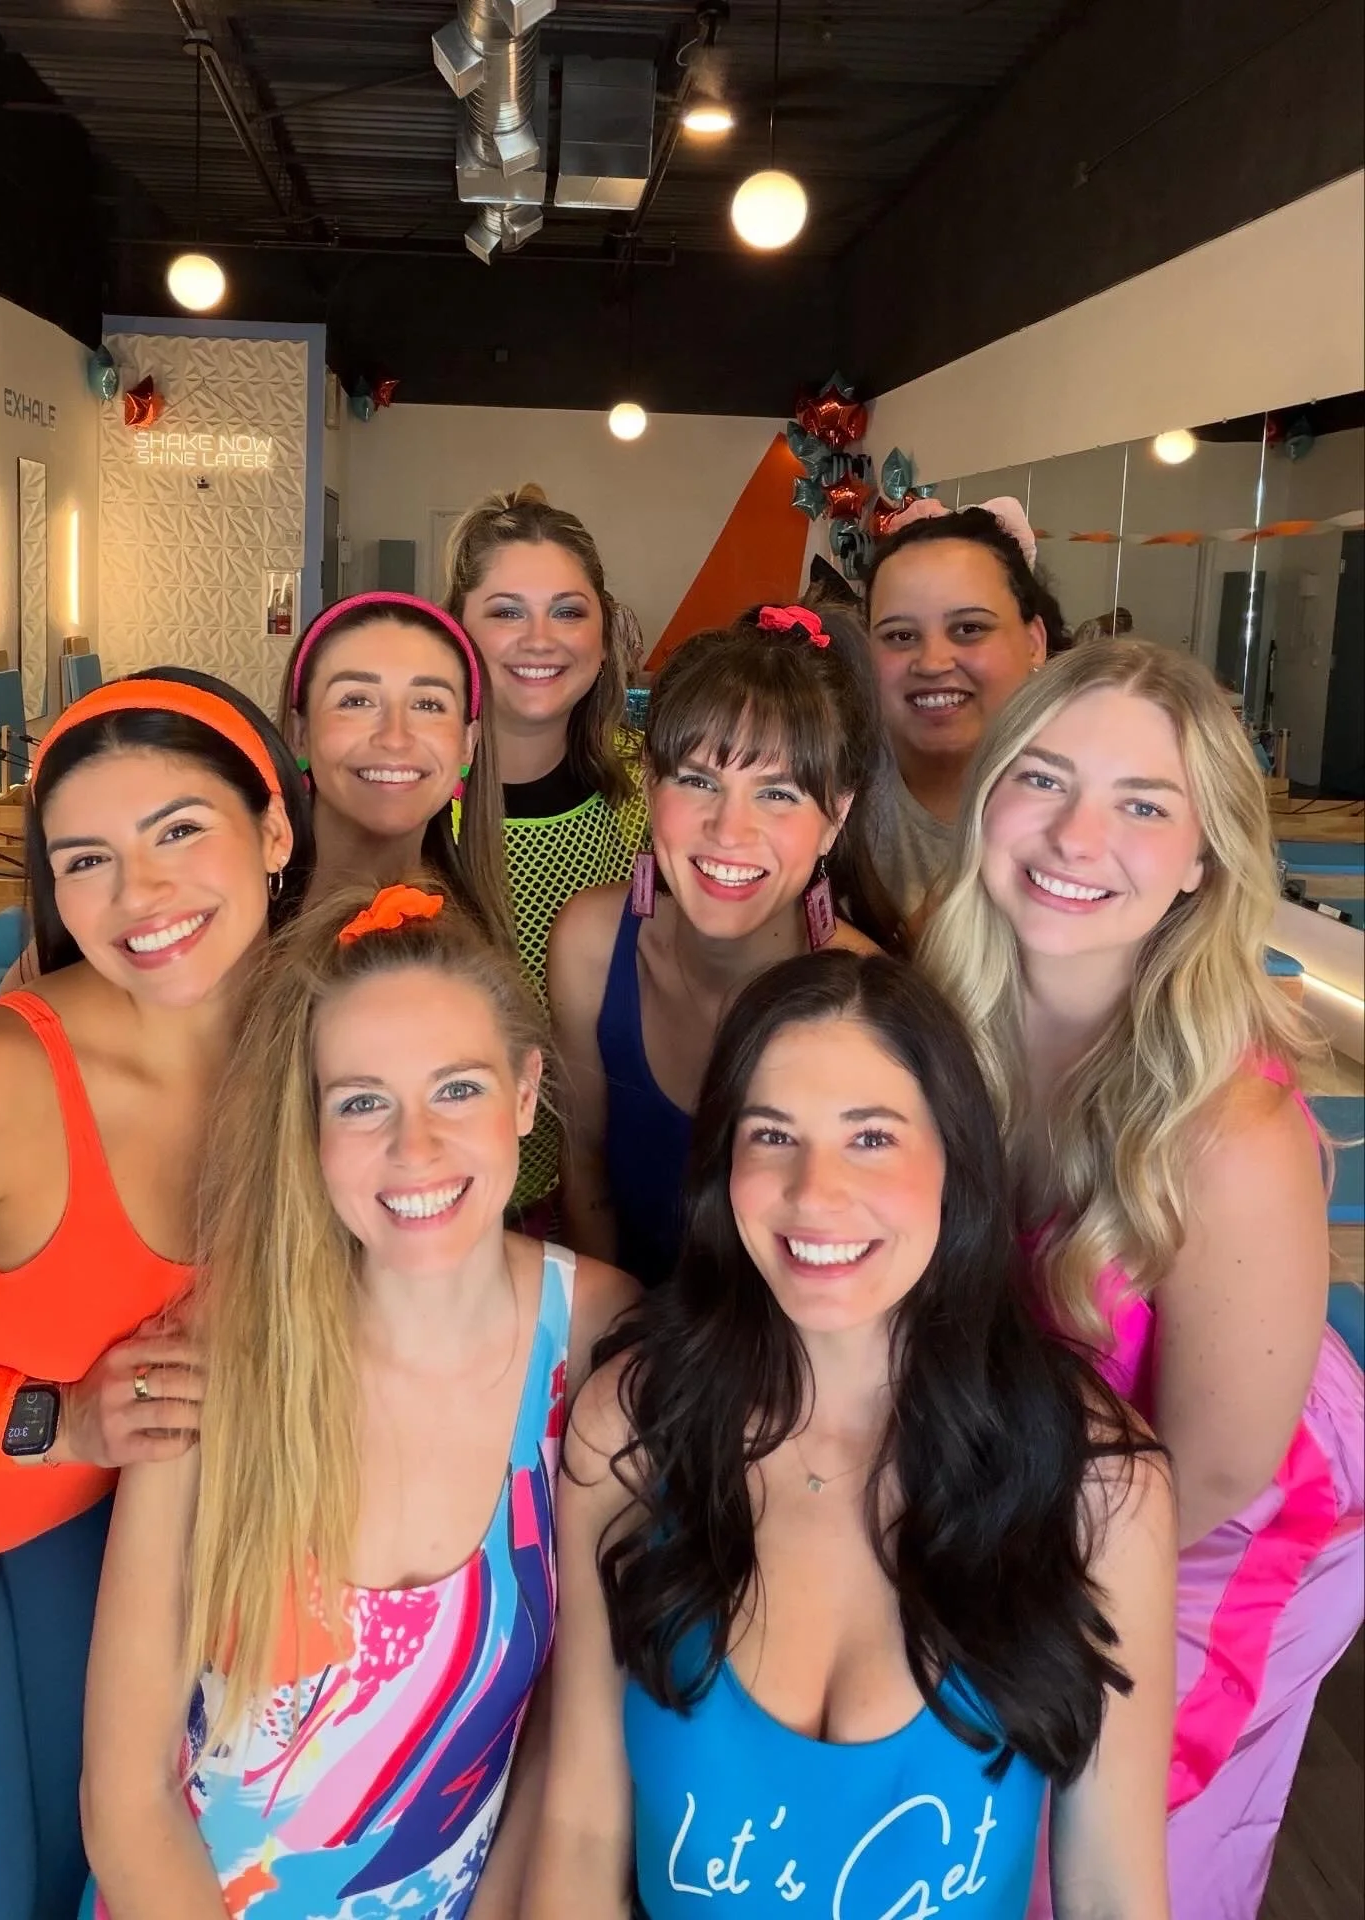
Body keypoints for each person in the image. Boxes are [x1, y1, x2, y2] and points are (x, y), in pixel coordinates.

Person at [525, 950, 1176, 1917]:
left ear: (955, 1161)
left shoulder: (1096, 1484)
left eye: (871, 1138)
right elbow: (582, 1828)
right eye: (773, 1135)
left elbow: (1113, 1889)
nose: (814, 1191)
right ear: (725, 1168)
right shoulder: (633, 1427)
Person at [81, 881, 635, 1919]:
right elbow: (123, 1798)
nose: (413, 1149)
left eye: (458, 1091)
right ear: (313, 1128)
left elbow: (566, 1745)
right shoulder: (222, 1347)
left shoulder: (599, 1338)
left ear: (526, 1094)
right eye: (362, 1102)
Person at [921, 638, 1365, 1916]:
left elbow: (1211, 1472)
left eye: (1144, 805)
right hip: (1030, 1456)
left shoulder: (1234, 1144)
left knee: (1097, 1862)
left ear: (1201, 862)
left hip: (1213, 1516)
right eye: (1044, 779)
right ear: (988, 797)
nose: (1076, 836)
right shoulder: (935, 1018)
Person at [0, 671, 312, 1920]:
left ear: (275, 831)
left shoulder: (320, 1047)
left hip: (197, 1552)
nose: (138, 899)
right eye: (86, 859)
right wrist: (59, 1418)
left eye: (180, 832)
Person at [549, 602, 906, 1289]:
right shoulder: (590, 946)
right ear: (651, 788)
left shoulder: (870, 1001)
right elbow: (585, 1170)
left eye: (777, 793)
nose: (729, 830)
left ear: (836, 818)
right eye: (699, 781)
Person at [444, 485, 647, 1213]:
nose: (541, 639)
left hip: (618, 1192)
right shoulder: (421, 798)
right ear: (457, 632)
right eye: (505, 613)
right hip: (446, 1193)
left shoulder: (651, 791)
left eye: (567, 610)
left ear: (603, 631)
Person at [865, 499, 1067, 919]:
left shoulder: (1087, 795)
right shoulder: (828, 779)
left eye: (969, 629)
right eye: (900, 635)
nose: (933, 662)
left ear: (1034, 642)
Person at [279, 590, 513, 948]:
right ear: (300, 735)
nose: (395, 738)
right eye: (356, 701)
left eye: (428, 704)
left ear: (468, 744)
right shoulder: (233, 924)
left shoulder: (477, 956)